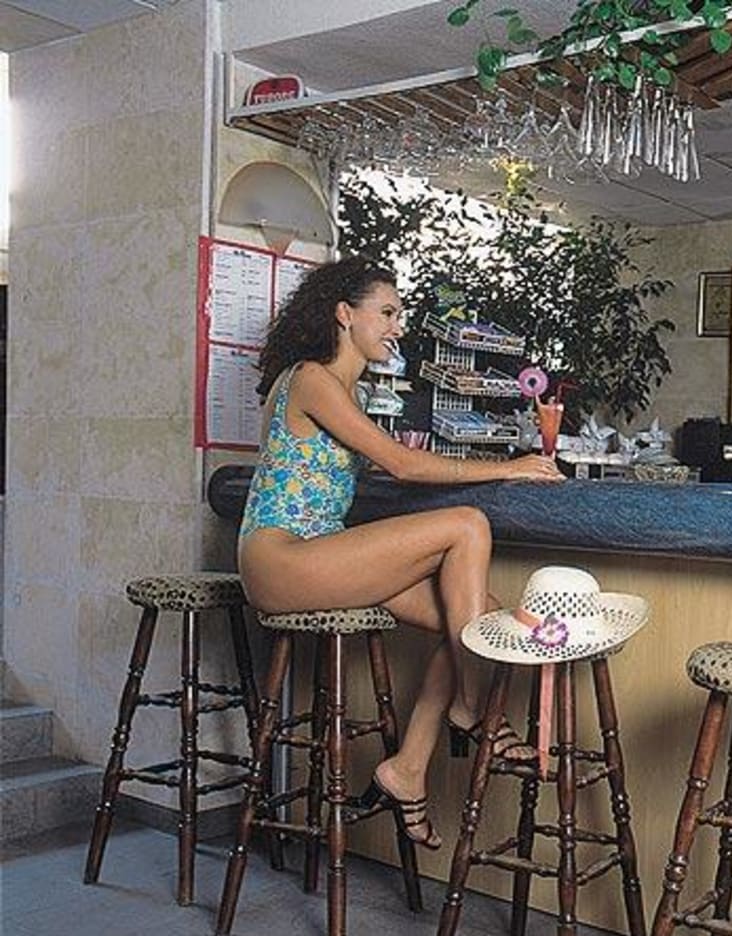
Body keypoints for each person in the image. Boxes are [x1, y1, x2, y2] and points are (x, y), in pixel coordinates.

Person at [237, 256, 562, 849]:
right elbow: (402, 464)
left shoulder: (349, 390)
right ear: (344, 314)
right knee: (467, 525)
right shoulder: (311, 378)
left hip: (320, 554)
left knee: (475, 617)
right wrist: (509, 468)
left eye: (399, 314)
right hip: (280, 559)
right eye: (387, 313)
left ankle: (407, 769)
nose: (399, 326)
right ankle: (473, 712)